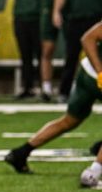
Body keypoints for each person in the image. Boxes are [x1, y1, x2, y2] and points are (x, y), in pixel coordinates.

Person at [5, 18, 102, 182]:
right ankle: (93, 172)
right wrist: (100, 73)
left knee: (69, 120)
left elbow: (87, 38)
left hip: (86, 72)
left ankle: (21, 152)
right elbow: (88, 38)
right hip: (95, 75)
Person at [53, 0, 102, 100]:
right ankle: (64, 92)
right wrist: (56, 11)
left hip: (97, 19)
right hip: (76, 19)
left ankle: (98, 89)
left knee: (99, 56)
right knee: (71, 56)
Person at [9, 0, 42, 99]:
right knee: (25, 54)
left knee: (41, 53)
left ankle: (44, 87)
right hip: (20, 15)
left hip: (38, 15)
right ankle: (27, 87)